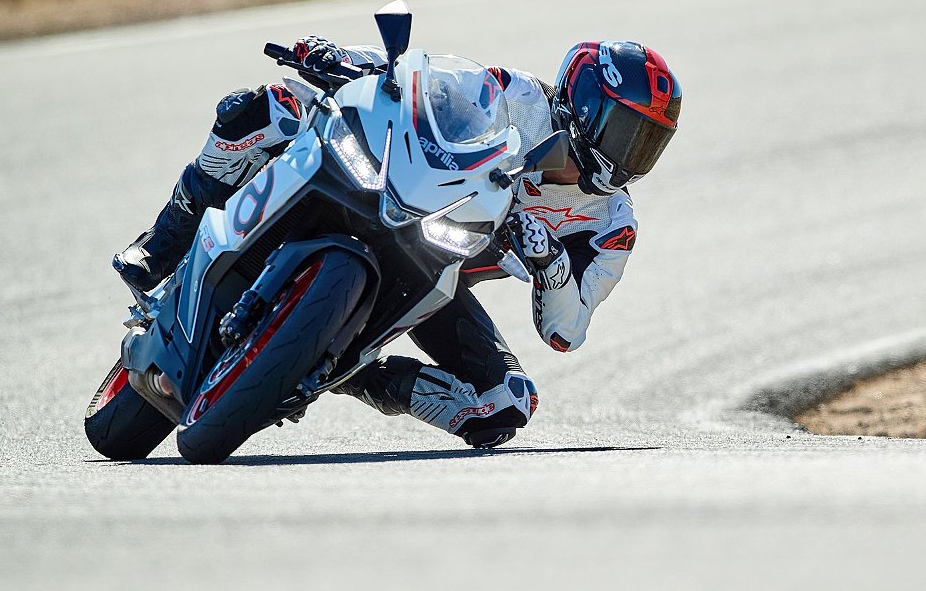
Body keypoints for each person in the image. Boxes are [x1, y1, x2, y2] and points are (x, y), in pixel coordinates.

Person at [114, 35, 682, 448]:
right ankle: (160, 247)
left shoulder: (612, 225)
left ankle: (344, 371)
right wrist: (344, 57)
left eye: (647, 144)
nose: (630, 157)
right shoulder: (516, 95)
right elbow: (420, 85)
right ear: (585, 105)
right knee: (263, 110)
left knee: (504, 404)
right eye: (626, 133)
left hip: (439, 270)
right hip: (396, 194)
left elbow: (567, 330)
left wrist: (550, 262)